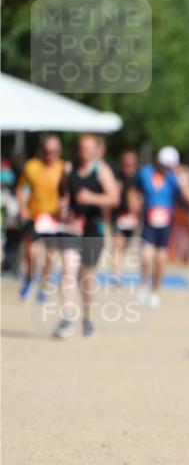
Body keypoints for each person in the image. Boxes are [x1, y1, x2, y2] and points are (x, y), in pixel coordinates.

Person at [52, 134, 121, 338]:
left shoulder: (102, 170)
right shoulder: (68, 168)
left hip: (93, 227)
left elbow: (114, 198)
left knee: (87, 276)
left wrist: (92, 198)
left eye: (89, 147)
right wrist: (63, 204)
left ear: (96, 150)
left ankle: (88, 316)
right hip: (71, 225)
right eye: (82, 147)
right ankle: (67, 317)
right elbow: (64, 193)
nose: (84, 151)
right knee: (67, 270)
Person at [136, 146, 189, 309]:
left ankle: (155, 291)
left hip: (165, 224)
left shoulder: (175, 178)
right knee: (146, 256)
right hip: (149, 222)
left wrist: (181, 178)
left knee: (160, 260)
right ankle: (144, 283)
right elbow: (135, 191)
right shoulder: (145, 173)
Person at [15, 135, 67, 303]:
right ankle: (29, 278)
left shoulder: (63, 168)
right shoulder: (32, 166)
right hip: (34, 215)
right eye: (46, 151)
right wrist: (22, 208)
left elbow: (68, 192)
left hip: (53, 217)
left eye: (52, 151)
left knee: (50, 255)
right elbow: (20, 189)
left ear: (58, 152)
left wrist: (65, 205)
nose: (49, 154)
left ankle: (44, 286)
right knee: (31, 251)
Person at [110, 150, 141, 285]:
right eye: (126, 163)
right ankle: (116, 274)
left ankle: (119, 270)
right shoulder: (117, 176)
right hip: (119, 215)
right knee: (118, 244)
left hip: (133, 217)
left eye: (132, 164)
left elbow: (142, 197)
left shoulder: (139, 179)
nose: (129, 166)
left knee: (125, 246)